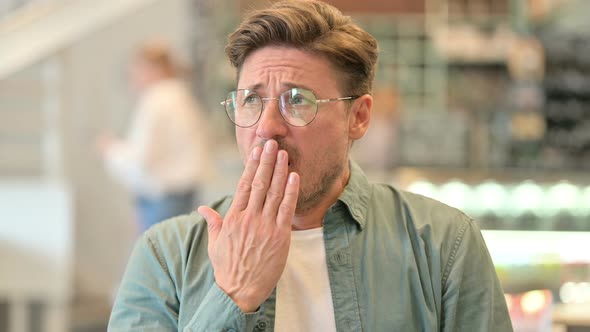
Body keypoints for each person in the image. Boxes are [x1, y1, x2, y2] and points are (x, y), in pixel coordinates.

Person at [108, 1, 513, 331]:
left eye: (297, 99)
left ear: (358, 117)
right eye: (251, 99)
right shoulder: (165, 255)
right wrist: (234, 296)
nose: (266, 127)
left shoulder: (443, 246)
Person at [98, 40, 211, 232]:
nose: (132, 81)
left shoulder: (157, 99)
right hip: (179, 195)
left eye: (133, 73)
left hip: (163, 199)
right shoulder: (179, 95)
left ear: (150, 69)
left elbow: (141, 160)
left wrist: (110, 150)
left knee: (153, 259)